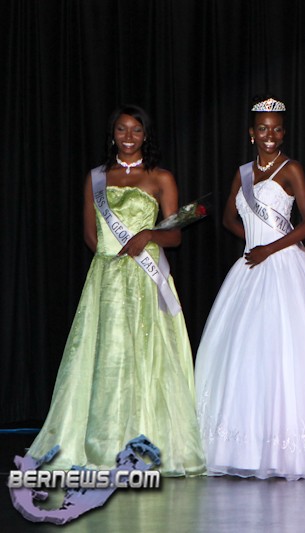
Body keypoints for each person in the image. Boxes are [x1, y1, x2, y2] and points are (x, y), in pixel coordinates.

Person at [26, 105, 206, 476]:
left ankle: (147, 442)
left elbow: (174, 235)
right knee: (104, 357)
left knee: (147, 358)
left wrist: (148, 235)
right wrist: (112, 264)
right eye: (122, 129)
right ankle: (100, 442)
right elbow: (90, 235)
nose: (128, 136)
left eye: (136, 130)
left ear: (146, 135)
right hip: (106, 280)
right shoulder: (96, 177)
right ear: (112, 134)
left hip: (146, 278)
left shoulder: (160, 177)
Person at [194, 96, 305, 480]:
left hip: (284, 266)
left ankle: (287, 447)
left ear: (283, 133)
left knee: (287, 353)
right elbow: (228, 218)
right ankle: (245, 446)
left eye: (276, 129)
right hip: (250, 268)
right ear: (251, 133)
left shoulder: (291, 169)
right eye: (262, 128)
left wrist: (270, 247)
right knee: (245, 356)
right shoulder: (242, 173)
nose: (269, 135)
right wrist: (253, 243)